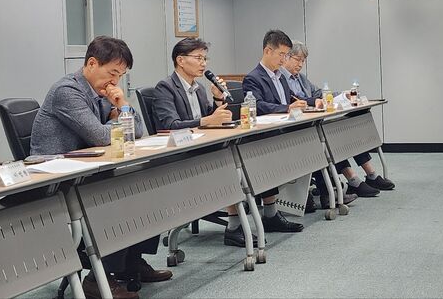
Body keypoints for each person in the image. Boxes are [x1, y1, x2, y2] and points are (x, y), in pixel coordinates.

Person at [30, 36, 171, 299]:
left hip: (88, 171)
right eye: (112, 73)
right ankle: (98, 278)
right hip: (57, 179)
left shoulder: (103, 92)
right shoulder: (67, 91)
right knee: (118, 199)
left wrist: (122, 105)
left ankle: (131, 264)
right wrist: (118, 124)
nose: (115, 81)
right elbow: (101, 136)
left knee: (145, 187)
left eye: (121, 75)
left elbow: (138, 131)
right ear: (92, 63)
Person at [152, 38, 255, 247]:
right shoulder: (165, 87)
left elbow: (209, 117)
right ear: (181, 60)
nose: (203, 63)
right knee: (228, 164)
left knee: (236, 157)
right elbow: (170, 125)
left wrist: (217, 101)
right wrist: (206, 121)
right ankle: (234, 227)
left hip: (201, 148)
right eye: (198, 58)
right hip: (180, 154)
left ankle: (235, 225)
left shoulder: (198, 88)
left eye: (205, 58)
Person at [280, 41, 394, 208]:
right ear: (286, 57)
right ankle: (352, 180)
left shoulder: (301, 78)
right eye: (298, 59)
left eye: (303, 61)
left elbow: (319, 93)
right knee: (330, 136)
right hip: (296, 128)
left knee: (348, 126)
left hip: (312, 122)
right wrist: (313, 101)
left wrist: (342, 94)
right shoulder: (281, 78)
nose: (300, 64)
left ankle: (369, 175)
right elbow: (296, 100)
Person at [240, 29, 305, 233]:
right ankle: (270, 213)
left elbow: (292, 98)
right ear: (268, 51)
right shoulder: (253, 78)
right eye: (281, 54)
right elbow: (258, 105)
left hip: (284, 129)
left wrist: (313, 102)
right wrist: (286, 108)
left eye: (286, 55)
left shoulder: (281, 77)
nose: (284, 59)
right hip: (265, 136)